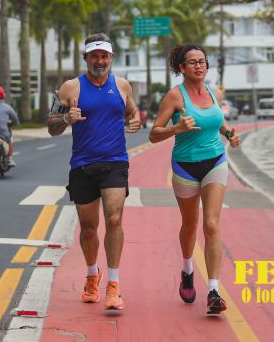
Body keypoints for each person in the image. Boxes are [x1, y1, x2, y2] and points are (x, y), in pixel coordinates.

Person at [46, 33, 140, 310]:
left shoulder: (122, 86)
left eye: (104, 56)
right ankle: (91, 275)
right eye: (94, 56)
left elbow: (132, 112)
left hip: (115, 163)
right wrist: (65, 118)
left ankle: (113, 283)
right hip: (83, 165)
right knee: (88, 228)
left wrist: (134, 121)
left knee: (113, 219)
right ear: (85, 58)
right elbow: (52, 127)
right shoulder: (70, 88)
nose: (99, 61)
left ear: (111, 57)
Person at [149, 44, 241, 315]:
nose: (199, 66)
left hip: (215, 161)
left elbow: (219, 121)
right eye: (192, 62)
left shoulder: (214, 91)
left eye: (202, 61)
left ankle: (213, 289)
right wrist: (177, 128)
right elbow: (153, 134)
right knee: (190, 224)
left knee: (211, 224)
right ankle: (188, 268)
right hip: (186, 167)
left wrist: (229, 134)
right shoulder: (174, 97)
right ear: (182, 68)